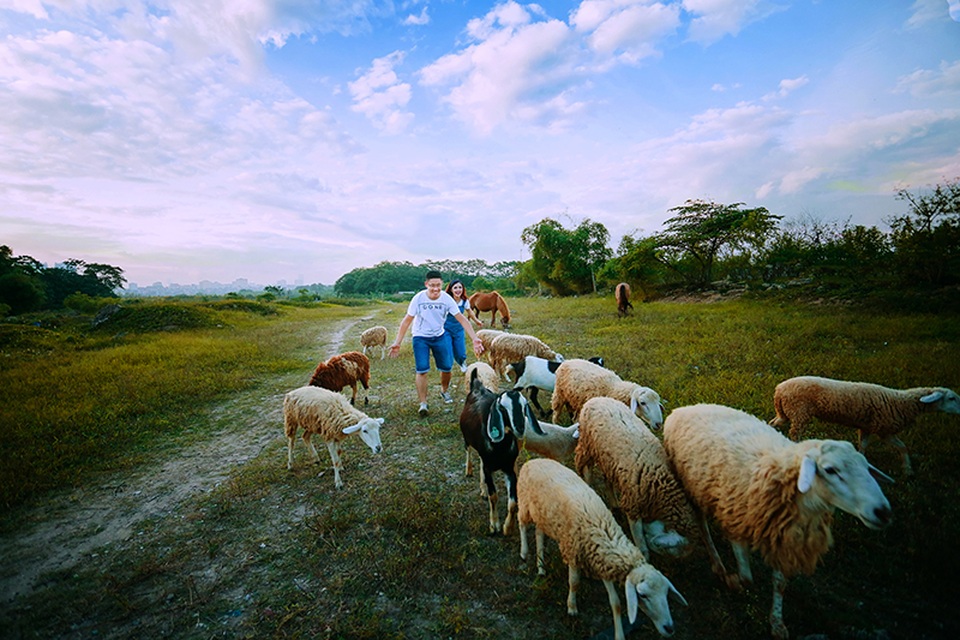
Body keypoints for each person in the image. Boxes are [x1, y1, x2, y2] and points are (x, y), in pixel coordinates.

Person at [389, 270, 484, 417]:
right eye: (432, 285)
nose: (435, 289)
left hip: (439, 336)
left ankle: (444, 391)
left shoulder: (446, 299)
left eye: (438, 285)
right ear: (426, 284)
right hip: (420, 337)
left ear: (442, 284)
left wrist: (474, 338)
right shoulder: (418, 298)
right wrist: (397, 342)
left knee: (446, 368)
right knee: (422, 370)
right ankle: (423, 404)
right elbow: (407, 320)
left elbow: (462, 318)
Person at [444, 279, 483, 374]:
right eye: (455, 288)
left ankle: (462, 363)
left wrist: (477, 321)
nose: (458, 290)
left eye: (460, 287)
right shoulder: (446, 301)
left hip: (458, 329)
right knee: (448, 350)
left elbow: (470, 312)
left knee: (460, 352)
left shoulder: (464, 301)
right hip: (446, 329)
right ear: (451, 290)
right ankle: (446, 369)